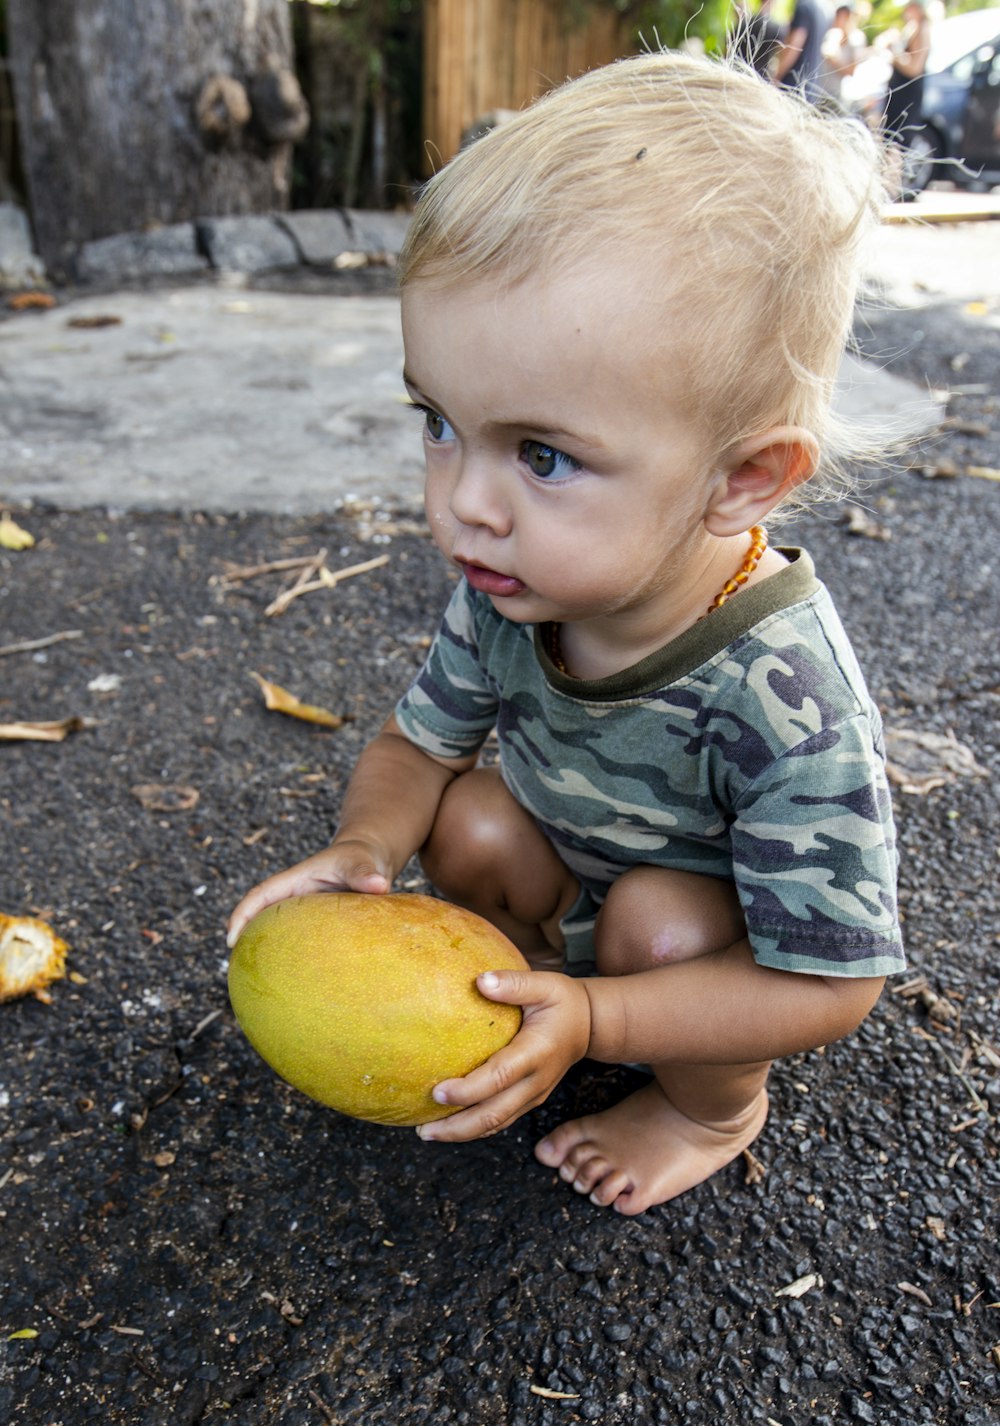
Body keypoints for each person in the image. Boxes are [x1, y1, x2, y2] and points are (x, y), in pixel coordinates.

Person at [228, 52, 905, 1216]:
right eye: (439, 421)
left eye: (541, 454)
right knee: (472, 810)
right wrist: (363, 850)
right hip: (569, 887)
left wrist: (607, 1019)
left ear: (742, 478)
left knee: (657, 920)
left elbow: (830, 984)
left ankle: (704, 1109)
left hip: (698, 955)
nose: (461, 505)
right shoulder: (512, 585)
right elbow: (416, 749)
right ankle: (526, 990)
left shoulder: (783, 691)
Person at [881, 0, 932, 147]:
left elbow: (914, 68)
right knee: (890, 140)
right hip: (899, 94)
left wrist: (895, 54)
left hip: (907, 96)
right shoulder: (912, 28)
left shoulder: (923, 29)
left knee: (897, 144)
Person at [773, 0, 830, 101]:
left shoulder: (804, 6)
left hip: (793, 84)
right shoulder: (824, 9)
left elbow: (794, 45)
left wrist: (777, 76)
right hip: (812, 86)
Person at [819, 2, 869, 104]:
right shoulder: (833, 34)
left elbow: (851, 71)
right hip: (821, 89)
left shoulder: (856, 39)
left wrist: (834, 59)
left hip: (838, 95)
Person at [729, 0, 783, 78]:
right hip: (759, 80)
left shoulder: (743, 24)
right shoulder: (777, 29)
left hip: (736, 75)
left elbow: (728, 51)